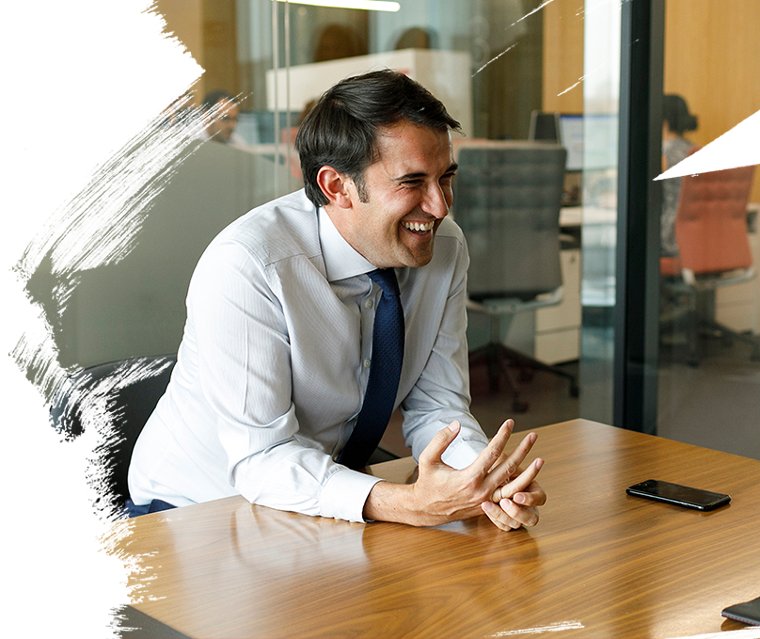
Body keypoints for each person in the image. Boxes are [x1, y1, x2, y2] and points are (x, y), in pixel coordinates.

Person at [128, 70, 546, 531]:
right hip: (195, 514)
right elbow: (262, 457)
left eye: (446, 177)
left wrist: (482, 482)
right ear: (335, 187)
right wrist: (408, 503)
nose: (440, 207)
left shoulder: (444, 246)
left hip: (319, 500)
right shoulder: (249, 265)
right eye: (412, 183)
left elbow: (437, 405)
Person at [661, 94, 698, 256]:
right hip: (696, 235)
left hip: (669, 236)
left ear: (664, 122)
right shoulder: (694, 149)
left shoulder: (664, 154)